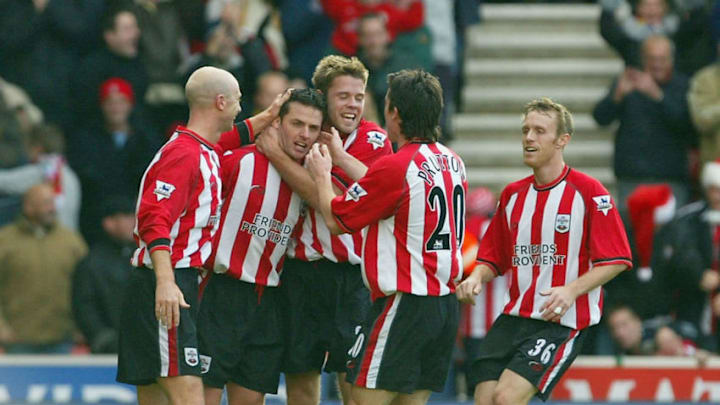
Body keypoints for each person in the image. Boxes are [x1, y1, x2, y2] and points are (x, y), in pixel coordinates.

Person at [305, 68, 466, 405]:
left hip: (405, 302)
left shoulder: (397, 165)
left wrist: (321, 176)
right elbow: (387, 188)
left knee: (362, 399)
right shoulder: (452, 161)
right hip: (444, 306)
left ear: (394, 114)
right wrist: (343, 156)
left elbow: (337, 220)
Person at [457, 98, 632, 405]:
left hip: (559, 321)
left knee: (505, 399)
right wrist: (477, 278)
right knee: (483, 401)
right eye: (526, 130)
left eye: (539, 131)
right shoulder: (512, 195)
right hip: (513, 317)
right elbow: (493, 256)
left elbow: (616, 260)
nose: (529, 138)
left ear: (562, 139)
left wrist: (570, 290)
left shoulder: (589, 192)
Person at [256, 54, 392, 405]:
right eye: (343, 96)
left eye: (359, 96)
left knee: (355, 385)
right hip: (303, 273)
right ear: (322, 96)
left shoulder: (376, 141)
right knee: (302, 379)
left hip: (355, 279)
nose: (353, 105)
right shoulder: (304, 135)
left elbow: (344, 203)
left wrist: (280, 159)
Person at [115, 66, 240, 405]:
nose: (240, 108)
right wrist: (166, 282)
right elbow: (154, 217)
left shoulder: (202, 149)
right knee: (188, 396)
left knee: (157, 397)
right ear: (220, 102)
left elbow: (235, 135)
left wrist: (272, 115)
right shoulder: (184, 154)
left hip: (172, 285)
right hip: (167, 287)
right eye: (237, 100)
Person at [199, 88, 325, 405]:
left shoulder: (308, 181)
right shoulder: (237, 163)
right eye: (297, 123)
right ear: (278, 123)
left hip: (266, 301)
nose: (305, 135)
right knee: (203, 395)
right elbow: (198, 149)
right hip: (219, 294)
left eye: (313, 128)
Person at [592, 34, 696, 212]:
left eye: (662, 59)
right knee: (631, 233)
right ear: (643, 59)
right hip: (632, 175)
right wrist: (617, 96)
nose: (657, 64)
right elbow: (600, 118)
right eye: (652, 59)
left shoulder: (683, 85)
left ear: (671, 59)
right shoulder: (629, 81)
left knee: (671, 234)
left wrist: (657, 96)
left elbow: (686, 124)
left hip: (670, 176)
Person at [0, 184, 87, 353]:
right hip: (17, 339)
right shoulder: (5, 241)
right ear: (29, 206)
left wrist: (81, 326)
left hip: (63, 338)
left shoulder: (71, 241)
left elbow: (86, 288)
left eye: (53, 202)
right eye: (46, 203)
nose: (52, 208)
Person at [651, 159, 720, 351]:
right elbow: (680, 253)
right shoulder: (689, 218)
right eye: (714, 189)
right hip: (692, 305)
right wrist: (698, 274)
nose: (717, 196)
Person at [72, 197, 136, 353]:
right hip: (109, 351)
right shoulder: (92, 262)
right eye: (127, 216)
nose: (133, 221)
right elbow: (84, 305)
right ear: (109, 223)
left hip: (147, 346)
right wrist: (102, 338)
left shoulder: (147, 257)